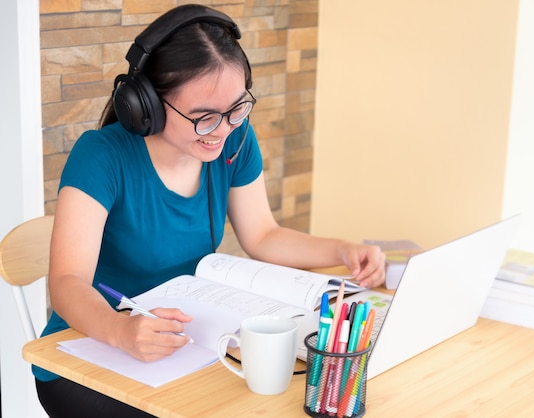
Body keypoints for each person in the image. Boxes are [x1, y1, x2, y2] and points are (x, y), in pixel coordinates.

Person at [33, 4, 385, 417]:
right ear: (146, 105)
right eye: (203, 117)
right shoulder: (102, 157)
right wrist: (120, 330)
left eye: (236, 109)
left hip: (188, 340)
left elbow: (262, 235)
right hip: (89, 352)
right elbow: (67, 282)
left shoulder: (232, 139)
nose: (223, 129)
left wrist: (341, 251)